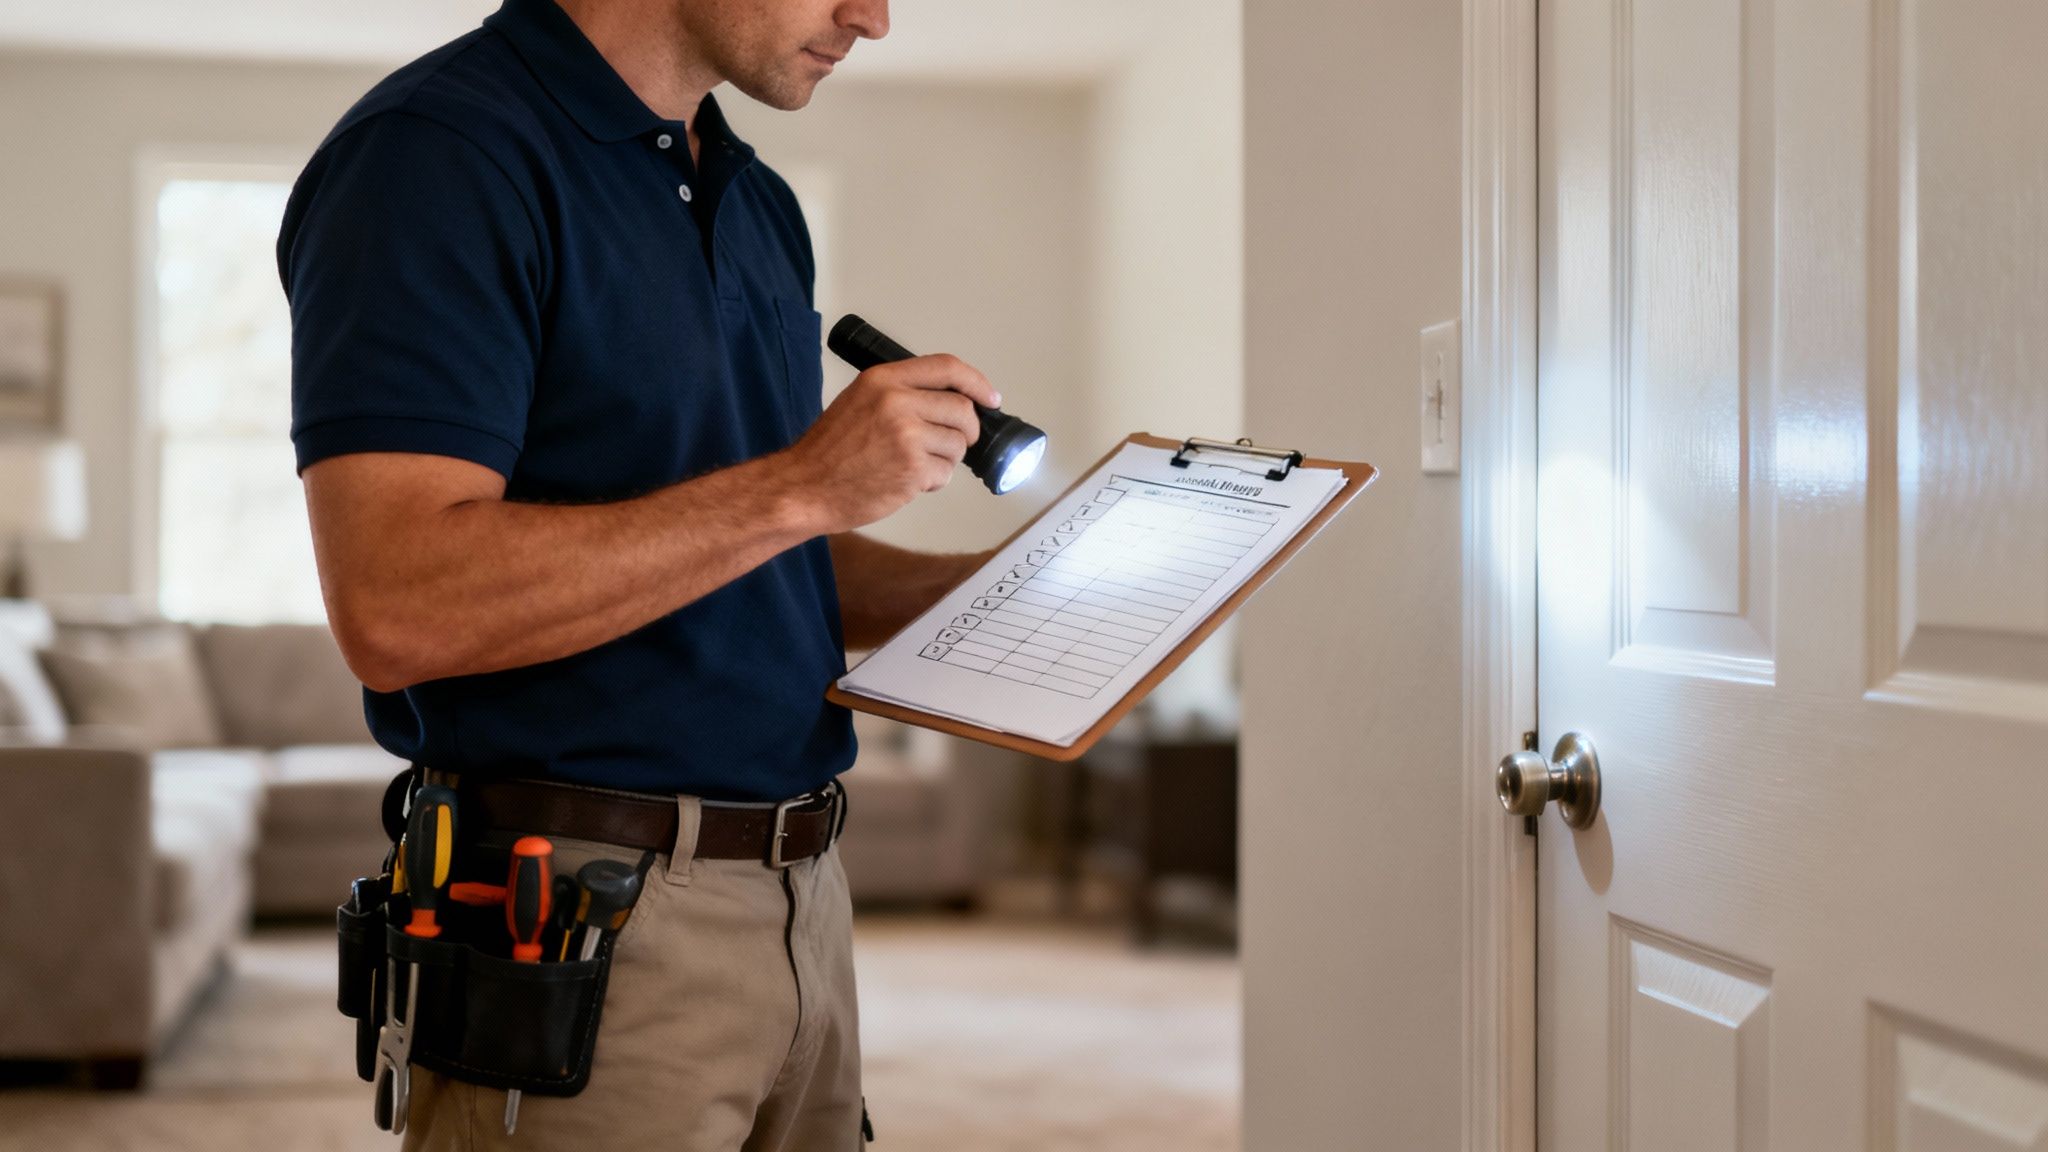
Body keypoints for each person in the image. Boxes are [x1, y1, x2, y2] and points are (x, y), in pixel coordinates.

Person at [278, 0, 995, 1147]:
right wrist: (803, 483)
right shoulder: (437, 156)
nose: (874, 17)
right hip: (573, 912)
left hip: (803, 898)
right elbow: (397, 602)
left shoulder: (756, 202)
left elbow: (748, 552)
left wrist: (1005, 591)